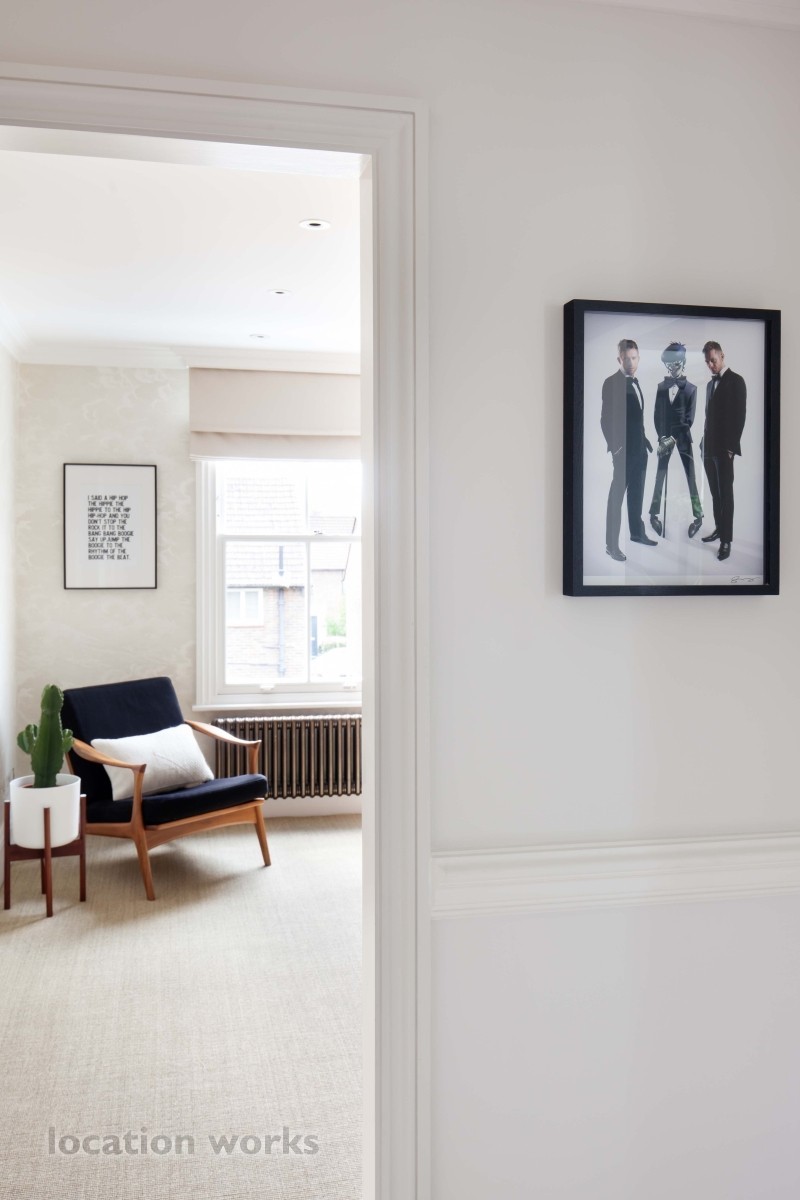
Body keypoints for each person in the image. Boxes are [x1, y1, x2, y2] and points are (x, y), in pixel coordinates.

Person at [600, 338, 655, 562]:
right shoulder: (611, 383)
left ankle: (637, 533)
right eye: (626, 358)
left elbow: (635, 418)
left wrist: (644, 440)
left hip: (640, 450)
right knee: (616, 498)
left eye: (634, 358)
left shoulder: (636, 382)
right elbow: (605, 420)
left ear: (638, 358)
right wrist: (616, 449)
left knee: (637, 494)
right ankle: (611, 545)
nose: (630, 362)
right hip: (622, 453)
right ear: (619, 359)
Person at [648, 342, 703, 539]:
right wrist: (662, 437)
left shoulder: (691, 389)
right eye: (669, 364)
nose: (672, 368)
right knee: (659, 475)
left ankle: (698, 517)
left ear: (683, 363)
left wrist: (673, 438)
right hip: (665, 438)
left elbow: (689, 420)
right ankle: (653, 515)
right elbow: (657, 415)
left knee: (691, 477)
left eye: (676, 364)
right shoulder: (661, 387)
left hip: (683, 439)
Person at [700, 341, 746, 562]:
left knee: (726, 494)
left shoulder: (736, 381)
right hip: (708, 448)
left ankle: (726, 540)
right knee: (714, 493)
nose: (711, 365)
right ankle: (719, 529)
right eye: (707, 362)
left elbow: (740, 416)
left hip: (724, 450)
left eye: (713, 360)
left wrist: (730, 448)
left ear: (722, 356)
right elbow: (709, 416)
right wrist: (702, 443)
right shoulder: (710, 385)